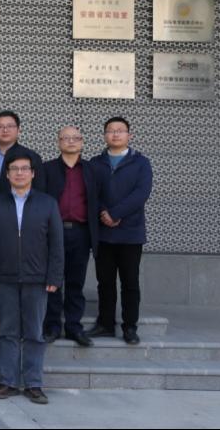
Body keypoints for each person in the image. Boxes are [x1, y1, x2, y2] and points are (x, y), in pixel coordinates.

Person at [0, 153, 64, 405]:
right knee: (7, 331)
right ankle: (8, 381)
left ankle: (33, 383)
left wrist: (54, 276)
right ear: (7, 174)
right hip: (5, 278)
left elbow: (56, 243)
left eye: (24, 169)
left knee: (34, 332)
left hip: (37, 278)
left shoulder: (48, 203)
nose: (19, 173)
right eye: (14, 169)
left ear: (32, 173)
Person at [87, 117, 153, 345]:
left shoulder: (141, 163)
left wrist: (116, 214)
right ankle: (105, 324)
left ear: (129, 135)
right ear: (104, 135)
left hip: (130, 233)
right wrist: (104, 213)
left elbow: (141, 193)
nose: (115, 134)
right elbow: (91, 193)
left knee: (130, 282)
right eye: (110, 131)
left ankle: (130, 326)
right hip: (103, 233)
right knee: (105, 282)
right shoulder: (95, 163)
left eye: (120, 130)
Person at [43, 126, 101, 347]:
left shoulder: (92, 170)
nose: (70, 141)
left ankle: (74, 327)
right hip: (53, 233)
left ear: (82, 142)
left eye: (75, 138)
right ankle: (52, 326)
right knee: (53, 282)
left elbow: (99, 199)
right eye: (65, 138)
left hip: (81, 232)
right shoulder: (47, 168)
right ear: (58, 142)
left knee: (76, 283)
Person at [0, 110, 46, 194]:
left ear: (18, 130)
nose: (5, 130)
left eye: (10, 126)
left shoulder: (32, 156)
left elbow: (39, 189)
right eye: (0, 127)